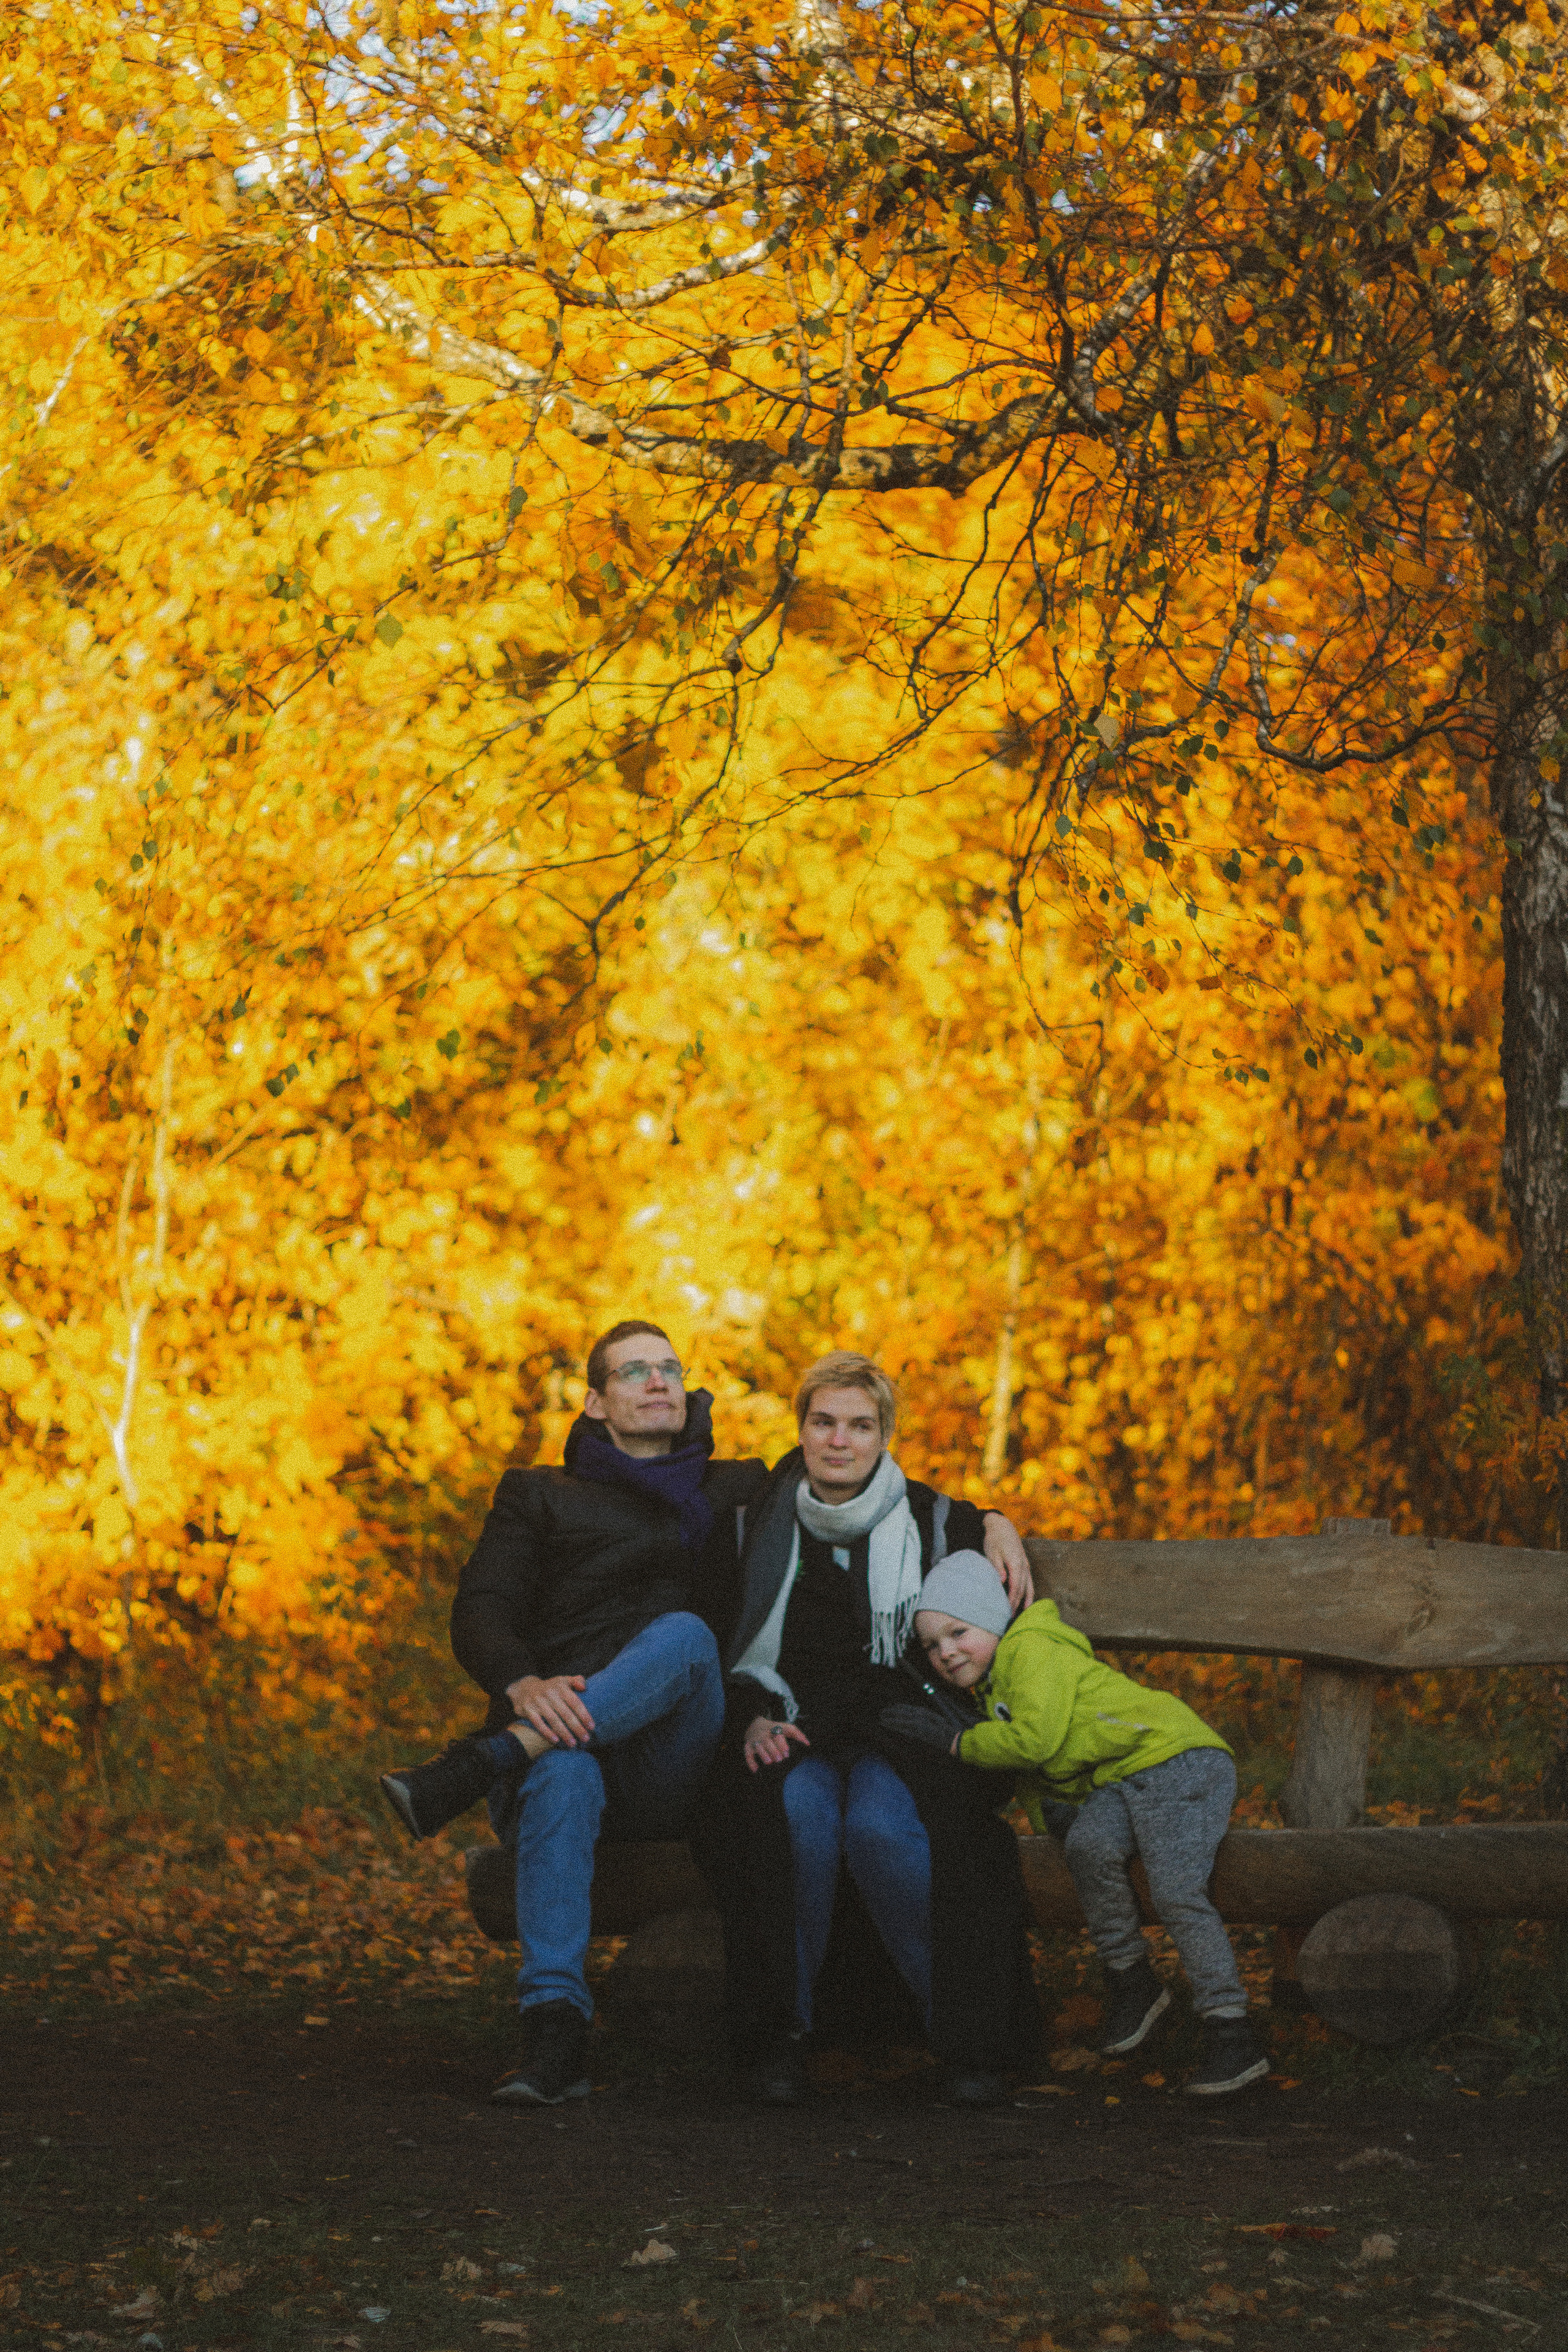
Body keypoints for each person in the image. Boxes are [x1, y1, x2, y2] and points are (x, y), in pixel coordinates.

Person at [383, 1321, 765, 2106]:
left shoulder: (736, 1489)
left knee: (687, 1637)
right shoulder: (538, 1496)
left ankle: (486, 1759)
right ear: (595, 1402)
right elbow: (480, 1608)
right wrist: (522, 1685)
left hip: (670, 1765)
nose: (658, 1382)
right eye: (634, 1373)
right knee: (562, 1768)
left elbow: (859, 1473)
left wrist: (985, 1522)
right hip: (561, 1755)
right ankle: (554, 2027)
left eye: (669, 1368)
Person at [694, 1352, 1042, 2109]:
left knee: (884, 1829)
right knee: (798, 1823)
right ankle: (784, 2040)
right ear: (802, 1429)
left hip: (903, 1735)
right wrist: (751, 1715)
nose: (839, 1441)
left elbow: (966, 1651)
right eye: (823, 1422)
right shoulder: (756, 1523)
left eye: (859, 1425)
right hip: (791, 1728)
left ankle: (962, 2041)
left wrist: (995, 1519)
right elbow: (728, 1642)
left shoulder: (937, 1519)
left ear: (885, 1435)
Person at [884, 1553, 1270, 2098]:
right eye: (932, 1645)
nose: (946, 1652)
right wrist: (1054, 1819)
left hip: (1176, 1759)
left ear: (992, 1622)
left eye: (958, 1632)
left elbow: (1035, 1742)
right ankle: (1133, 1981)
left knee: (1176, 1889)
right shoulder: (994, 1688)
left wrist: (958, 1744)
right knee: (1087, 1847)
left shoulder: (1030, 1652)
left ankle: (1232, 2029)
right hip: (1123, 1777)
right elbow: (1035, 1774)